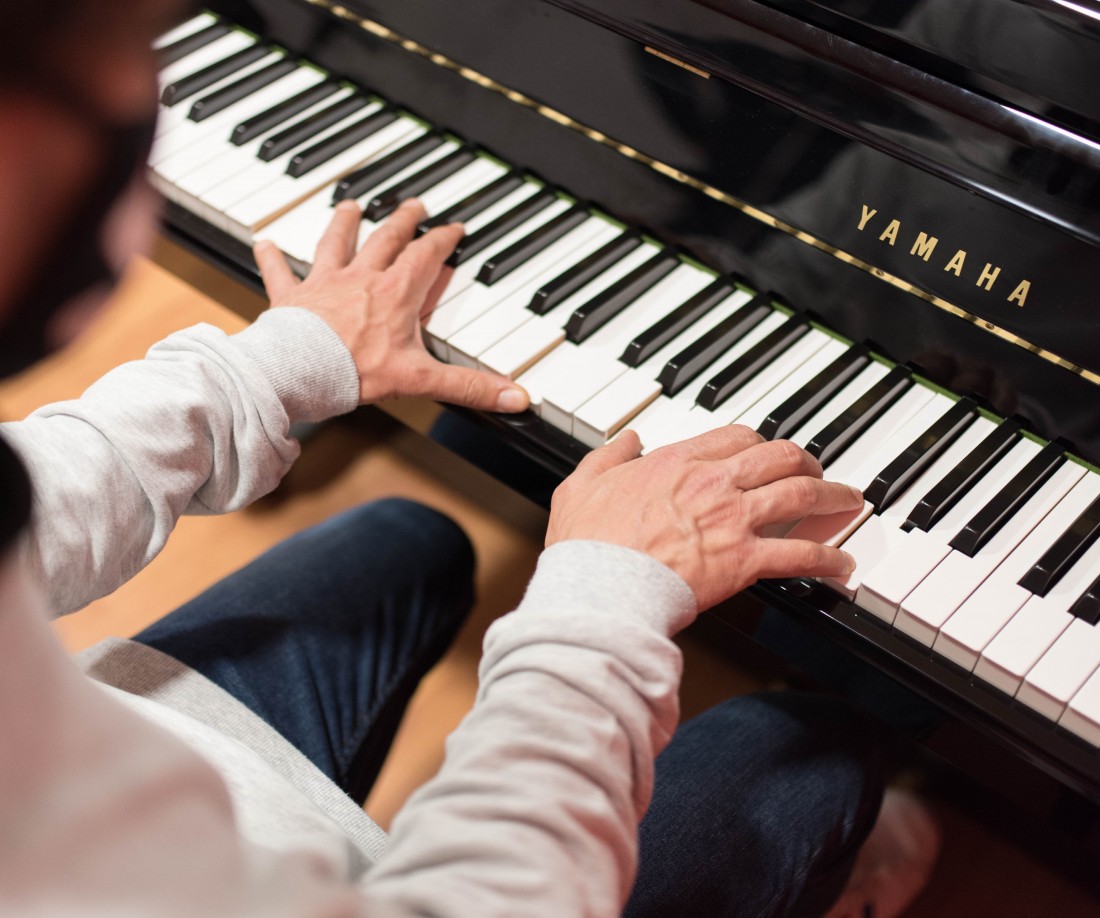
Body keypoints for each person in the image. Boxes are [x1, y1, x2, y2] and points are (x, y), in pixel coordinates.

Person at [0, 1, 939, 915]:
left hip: (132, 763)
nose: (152, 83)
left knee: (409, 537)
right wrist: (606, 596)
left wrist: (278, 365)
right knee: (808, 752)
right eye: (130, 50)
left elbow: (29, 513)